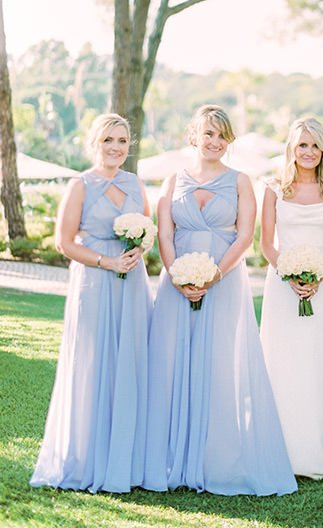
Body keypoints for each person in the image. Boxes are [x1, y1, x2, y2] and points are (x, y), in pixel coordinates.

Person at [142, 105, 296, 496]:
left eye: (222, 135)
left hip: (224, 282)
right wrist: (178, 274)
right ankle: (168, 457)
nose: (215, 142)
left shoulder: (242, 181)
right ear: (193, 135)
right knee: (172, 362)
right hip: (176, 283)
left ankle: (216, 458)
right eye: (208, 134)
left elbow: (245, 236)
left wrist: (212, 275)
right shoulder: (172, 180)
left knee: (220, 364)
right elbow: (164, 234)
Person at [30, 113, 153, 493]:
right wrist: (107, 261)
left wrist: (139, 251)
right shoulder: (80, 184)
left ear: (129, 146)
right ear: (94, 143)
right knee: (94, 364)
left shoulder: (135, 183)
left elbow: (146, 230)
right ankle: (85, 458)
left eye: (122, 141)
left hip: (131, 282)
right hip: (95, 284)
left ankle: (125, 461)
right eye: (108, 141)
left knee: (129, 362)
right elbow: (64, 242)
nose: (115, 148)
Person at [260, 117, 323, 479]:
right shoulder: (273, 188)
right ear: (291, 148)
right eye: (303, 145)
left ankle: (321, 446)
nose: (309, 152)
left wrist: (317, 275)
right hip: (282, 285)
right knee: (282, 359)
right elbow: (266, 244)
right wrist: (289, 274)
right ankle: (281, 445)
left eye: (316, 145)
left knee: (320, 358)